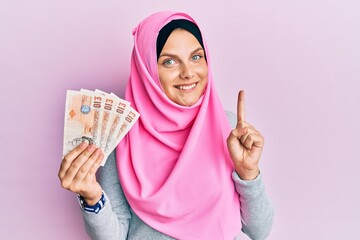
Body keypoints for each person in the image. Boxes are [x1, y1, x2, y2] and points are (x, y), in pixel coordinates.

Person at [59, 11, 274, 240]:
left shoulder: (230, 128)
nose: (188, 73)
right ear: (147, 69)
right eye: (169, 62)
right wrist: (92, 197)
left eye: (196, 57)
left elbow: (259, 232)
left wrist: (249, 174)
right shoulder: (123, 137)